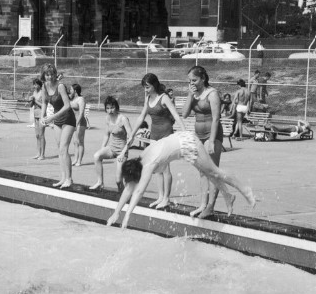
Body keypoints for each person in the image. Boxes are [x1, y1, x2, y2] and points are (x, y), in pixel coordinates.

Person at [106, 131, 256, 229]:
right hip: (182, 143)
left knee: (215, 172)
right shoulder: (141, 157)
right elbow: (129, 189)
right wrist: (116, 213)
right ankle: (228, 196)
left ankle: (245, 189)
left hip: (187, 144)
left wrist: (127, 217)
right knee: (209, 174)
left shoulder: (148, 165)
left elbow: (137, 191)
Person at [126, 73, 185, 209]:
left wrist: (183, 130)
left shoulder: (164, 98)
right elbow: (141, 117)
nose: (145, 90)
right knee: (157, 167)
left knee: (166, 168)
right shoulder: (147, 99)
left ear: (154, 85)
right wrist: (132, 135)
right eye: (144, 87)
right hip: (154, 134)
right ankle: (160, 196)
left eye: (147, 87)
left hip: (166, 134)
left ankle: (166, 198)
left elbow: (175, 114)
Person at [182, 65, 224, 219]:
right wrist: (189, 95)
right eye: (189, 81)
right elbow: (185, 114)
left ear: (203, 78)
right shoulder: (194, 94)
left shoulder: (212, 94)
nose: (191, 83)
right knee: (202, 171)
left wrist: (212, 141)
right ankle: (202, 204)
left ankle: (211, 207)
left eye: (194, 80)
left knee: (212, 171)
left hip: (212, 135)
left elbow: (216, 118)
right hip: (199, 135)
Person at [40, 64, 76, 189]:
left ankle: (69, 179)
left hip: (68, 119)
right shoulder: (44, 86)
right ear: (44, 75)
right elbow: (44, 102)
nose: (49, 77)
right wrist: (42, 116)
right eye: (47, 74)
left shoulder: (60, 86)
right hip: (57, 120)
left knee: (63, 149)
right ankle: (63, 177)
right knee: (59, 150)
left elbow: (67, 106)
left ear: (55, 74)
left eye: (51, 74)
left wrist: (52, 117)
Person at [89, 96, 132, 192]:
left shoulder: (123, 119)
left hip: (122, 150)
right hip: (112, 148)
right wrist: (102, 148)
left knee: (118, 181)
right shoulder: (107, 118)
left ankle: (123, 193)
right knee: (97, 156)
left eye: (112, 108)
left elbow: (131, 137)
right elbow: (106, 135)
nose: (110, 110)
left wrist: (124, 152)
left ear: (116, 107)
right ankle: (100, 182)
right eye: (107, 108)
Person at [69, 83, 87, 167]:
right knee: (75, 142)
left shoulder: (81, 99)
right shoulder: (72, 99)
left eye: (71, 89)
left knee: (80, 141)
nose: (70, 90)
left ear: (75, 91)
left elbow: (81, 113)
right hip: (73, 123)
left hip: (80, 123)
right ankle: (75, 159)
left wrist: (77, 123)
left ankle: (79, 160)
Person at [30, 78, 46, 160]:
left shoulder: (42, 93)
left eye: (36, 84)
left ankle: (42, 154)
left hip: (41, 115)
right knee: (37, 135)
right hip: (35, 115)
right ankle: (38, 153)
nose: (34, 86)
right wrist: (31, 101)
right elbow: (31, 105)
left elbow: (44, 105)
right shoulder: (34, 92)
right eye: (34, 84)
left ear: (40, 85)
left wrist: (35, 101)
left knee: (41, 135)